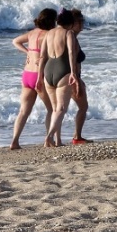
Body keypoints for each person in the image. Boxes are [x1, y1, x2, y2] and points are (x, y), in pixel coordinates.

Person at [8, 8, 57, 149]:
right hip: (39, 76)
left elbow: (15, 41)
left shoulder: (31, 33)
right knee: (52, 109)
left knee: (23, 111)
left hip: (27, 75)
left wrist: (28, 52)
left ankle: (14, 141)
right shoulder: (49, 35)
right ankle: (49, 140)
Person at [41, 8, 83, 147]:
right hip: (63, 70)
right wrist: (73, 73)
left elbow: (43, 56)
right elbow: (71, 52)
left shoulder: (48, 33)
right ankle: (49, 136)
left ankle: (57, 141)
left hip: (48, 71)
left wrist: (39, 77)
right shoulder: (68, 33)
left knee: (54, 109)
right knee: (61, 109)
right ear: (70, 22)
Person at [68, 9, 91, 145]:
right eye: (80, 21)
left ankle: (75, 136)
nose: (82, 24)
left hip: (70, 76)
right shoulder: (71, 37)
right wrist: (76, 78)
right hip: (72, 77)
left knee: (59, 108)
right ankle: (77, 136)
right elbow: (72, 59)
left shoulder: (71, 37)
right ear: (73, 23)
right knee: (83, 107)